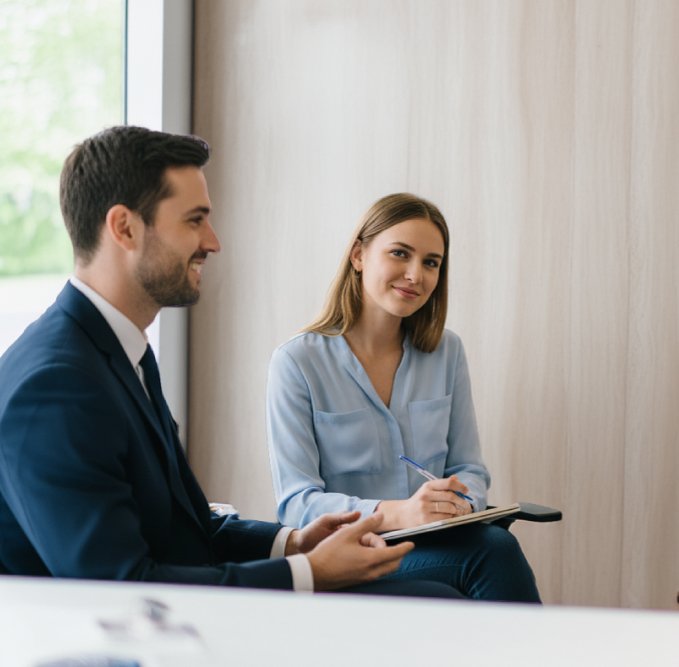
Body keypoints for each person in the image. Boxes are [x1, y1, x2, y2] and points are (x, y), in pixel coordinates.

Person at [0, 126, 461, 598]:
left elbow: (188, 528)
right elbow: (122, 590)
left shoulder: (121, 353)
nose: (213, 241)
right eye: (195, 220)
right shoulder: (54, 386)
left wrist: (294, 543)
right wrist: (310, 573)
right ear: (124, 228)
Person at [266, 193, 540, 602]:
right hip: (354, 553)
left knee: (490, 549)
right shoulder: (297, 362)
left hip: (439, 543)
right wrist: (397, 513)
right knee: (493, 554)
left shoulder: (447, 352)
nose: (415, 275)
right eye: (400, 253)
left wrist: (459, 503)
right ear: (359, 255)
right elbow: (296, 503)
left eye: (431, 262)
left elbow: (468, 468)